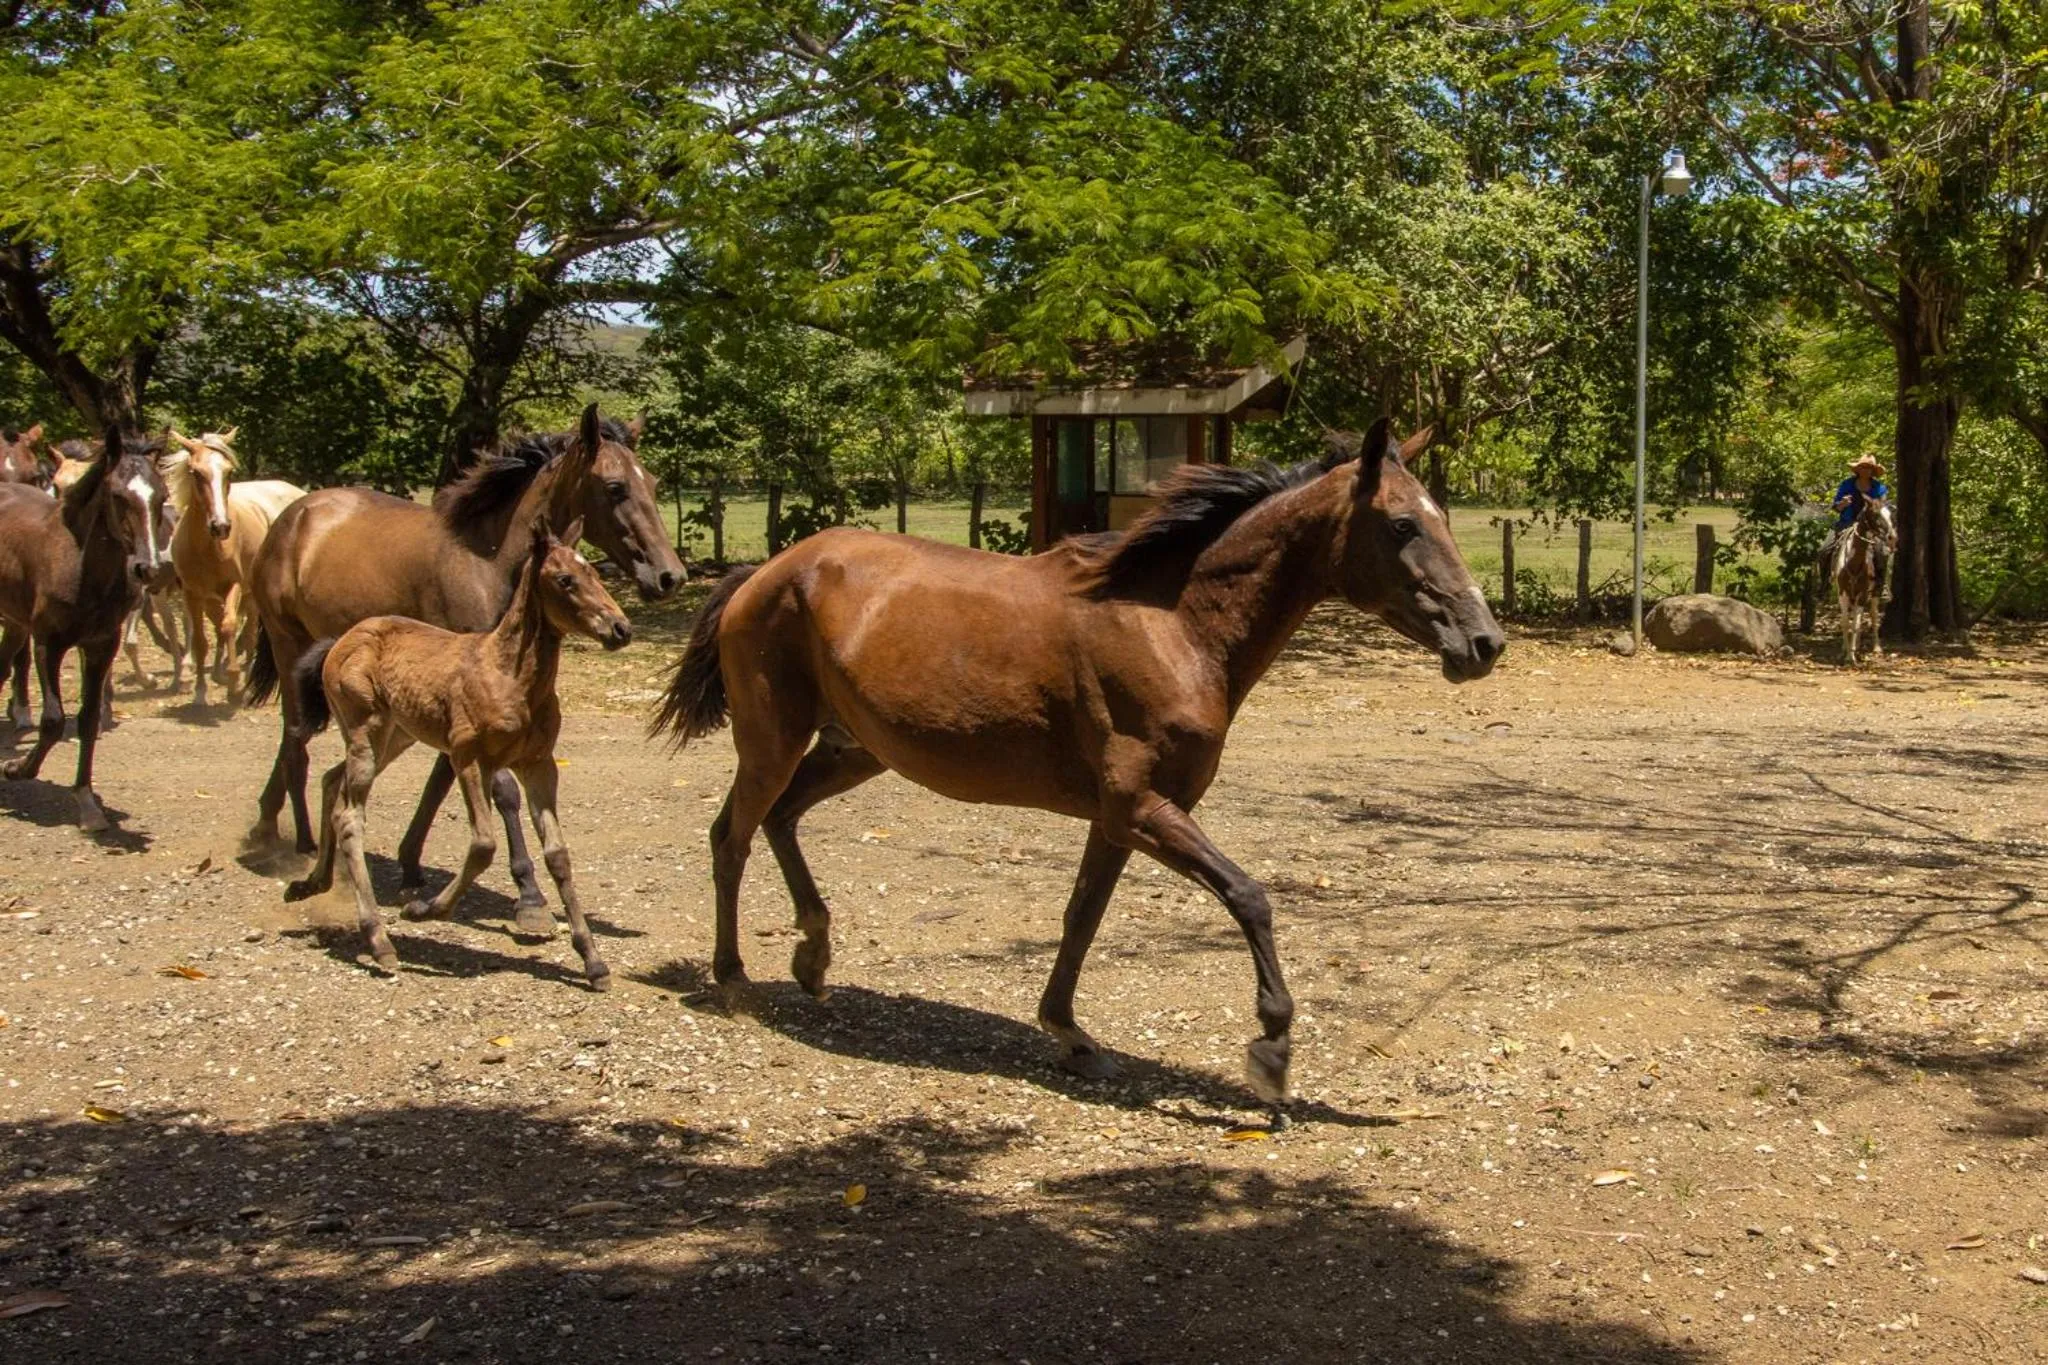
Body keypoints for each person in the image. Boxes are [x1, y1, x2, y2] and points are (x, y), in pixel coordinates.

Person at [1820, 454, 1888, 578]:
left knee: (1881, 552)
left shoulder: (1879, 488)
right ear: (1858, 469)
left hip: (1869, 527)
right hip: (1845, 524)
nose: (1865, 470)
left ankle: (1881, 585)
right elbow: (1836, 508)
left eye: (1868, 468)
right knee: (1824, 551)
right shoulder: (1847, 484)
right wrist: (1843, 504)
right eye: (1862, 467)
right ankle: (1824, 586)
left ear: (1873, 471)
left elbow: (1881, 509)